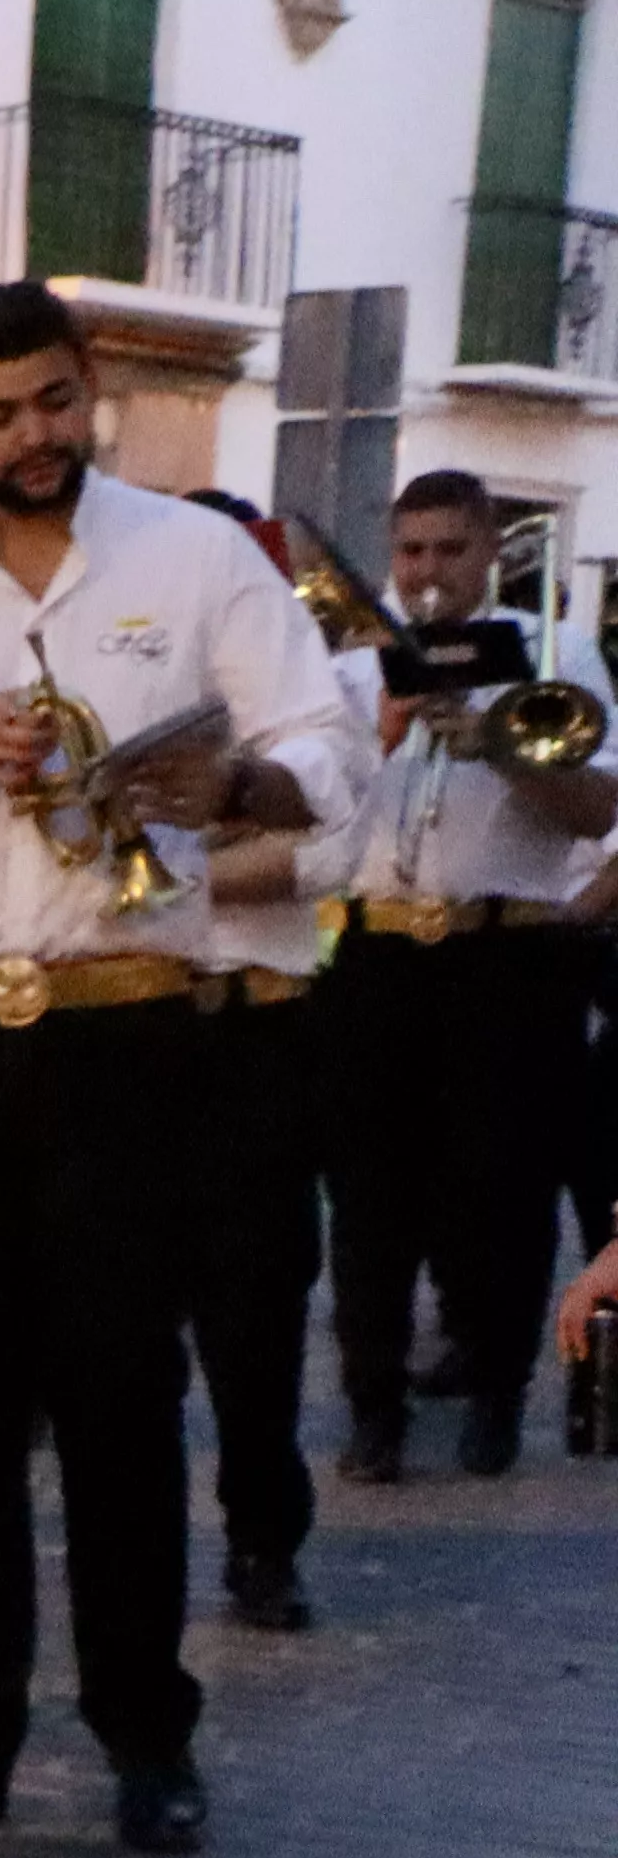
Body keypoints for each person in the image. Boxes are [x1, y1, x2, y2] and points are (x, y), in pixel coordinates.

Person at [0, 283, 351, 1858]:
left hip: (127, 1033)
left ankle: (146, 1736)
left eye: (54, 404)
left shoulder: (195, 559)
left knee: (124, 1403)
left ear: (89, 386)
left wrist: (240, 777)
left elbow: (326, 745)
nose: (33, 438)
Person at [332, 469, 616, 1483]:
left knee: (503, 1189)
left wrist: (497, 741)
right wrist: (386, 734)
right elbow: (316, 815)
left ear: (491, 551)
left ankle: (496, 1393)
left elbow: (597, 812)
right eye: (412, 551)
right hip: (378, 947)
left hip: (510, 949)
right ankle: (374, 1407)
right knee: (370, 1194)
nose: (428, 571)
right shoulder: (358, 667)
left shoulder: (555, 654)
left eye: (451, 549)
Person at [174, 491, 361, 1629]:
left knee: (257, 1310)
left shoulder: (302, 693)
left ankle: (262, 1540)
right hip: (131, 1023)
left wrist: (182, 861)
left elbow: (326, 852)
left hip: (253, 1020)